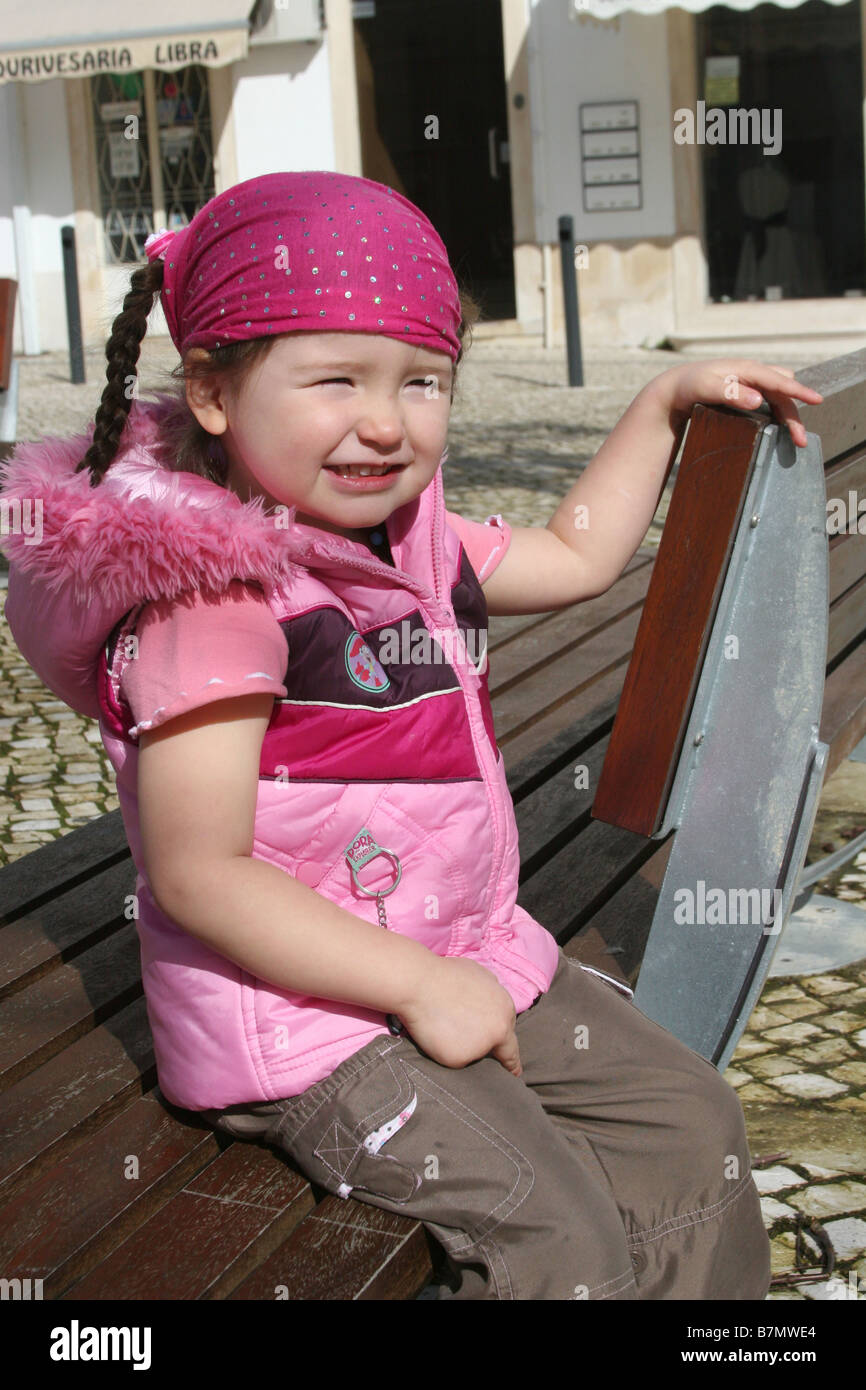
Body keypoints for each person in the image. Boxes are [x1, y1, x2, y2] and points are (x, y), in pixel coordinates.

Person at [0, 171, 822, 1301]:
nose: (385, 422)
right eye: (336, 380)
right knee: (556, 1230)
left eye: (421, 382)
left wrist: (659, 405)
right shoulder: (210, 605)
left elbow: (575, 557)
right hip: (294, 1017)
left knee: (691, 1120)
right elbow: (196, 876)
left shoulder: (411, 545)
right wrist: (419, 985)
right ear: (212, 393)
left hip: (452, 946)